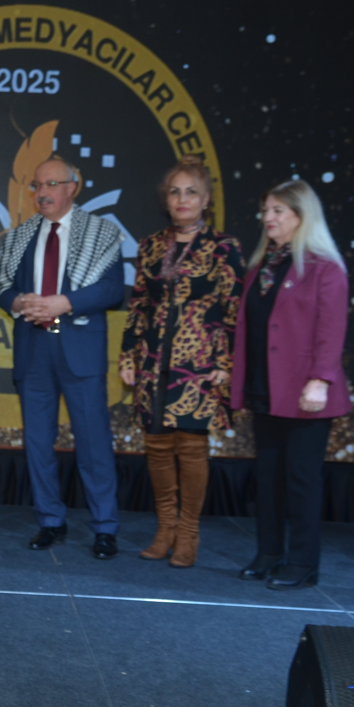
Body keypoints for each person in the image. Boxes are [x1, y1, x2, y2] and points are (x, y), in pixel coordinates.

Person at [0, 155, 125, 558]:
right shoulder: (19, 237)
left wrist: (63, 303)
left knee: (93, 443)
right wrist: (19, 302)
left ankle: (105, 527)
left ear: (73, 187)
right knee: (37, 443)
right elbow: (2, 290)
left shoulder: (102, 233)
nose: (42, 192)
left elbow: (113, 290)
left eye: (51, 184)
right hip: (34, 350)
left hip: (79, 351)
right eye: (37, 185)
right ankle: (50, 521)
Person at [118, 156, 244, 568]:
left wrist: (227, 362)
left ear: (206, 200)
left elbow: (234, 310)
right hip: (154, 362)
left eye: (191, 192)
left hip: (201, 364)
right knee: (156, 446)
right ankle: (164, 529)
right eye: (175, 192)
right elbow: (138, 304)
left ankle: (188, 533)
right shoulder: (151, 245)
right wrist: (128, 355)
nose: (182, 199)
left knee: (191, 448)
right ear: (166, 200)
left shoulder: (224, 247)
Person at [230, 180, 349, 590]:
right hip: (265, 388)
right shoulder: (261, 268)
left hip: (305, 394)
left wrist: (319, 381)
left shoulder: (325, 269)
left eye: (278, 210)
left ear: (302, 216)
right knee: (268, 477)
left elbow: (331, 331)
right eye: (266, 210)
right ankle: (268, 553)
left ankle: (302, 562)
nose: (268, 218)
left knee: (301, 479)